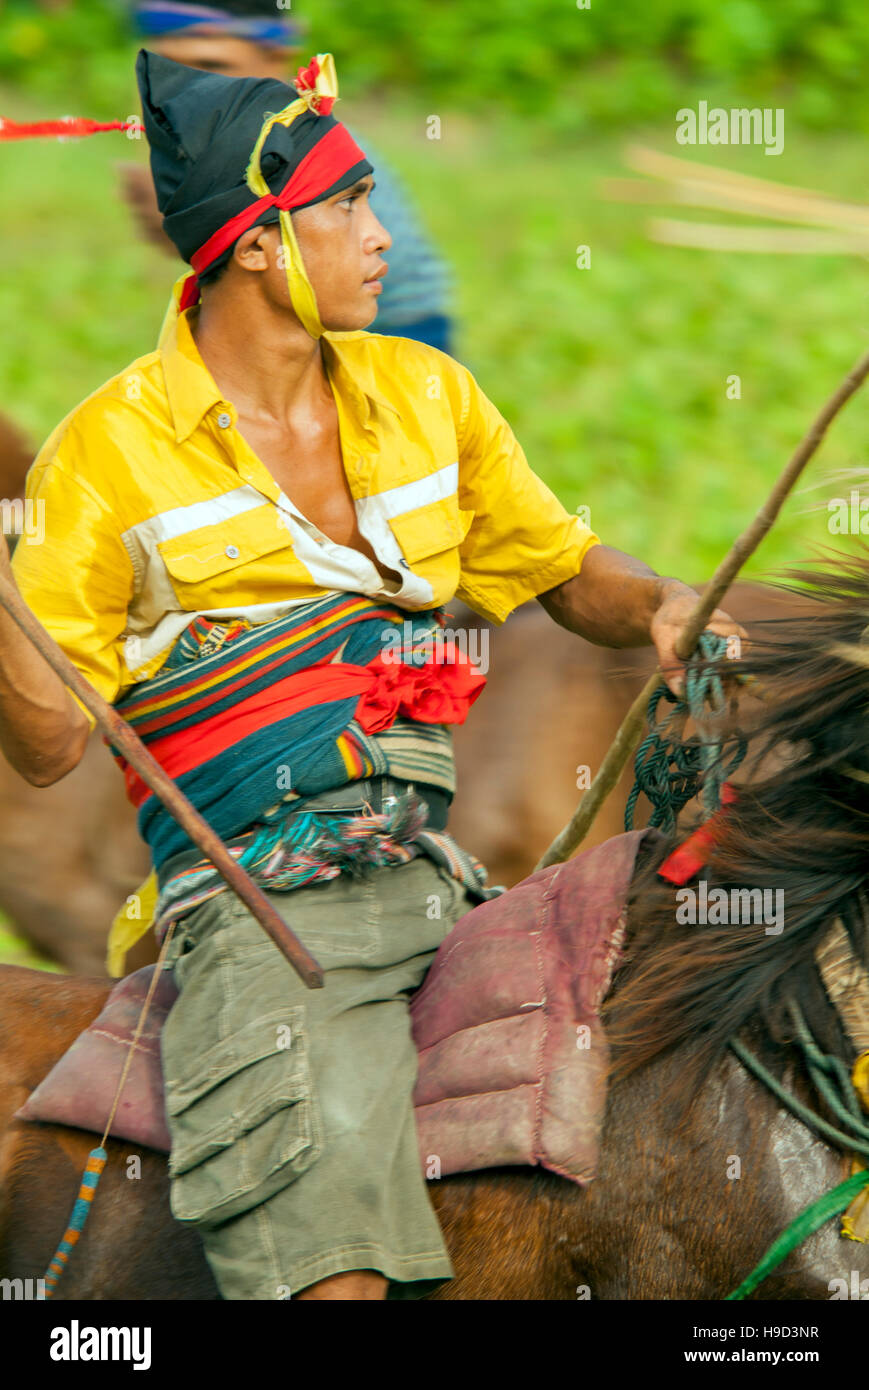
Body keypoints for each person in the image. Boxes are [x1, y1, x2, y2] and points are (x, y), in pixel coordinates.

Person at [2, 51, 744, 1300]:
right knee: (332, 1273)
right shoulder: (108, 455)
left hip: (437, 877)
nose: (379, 233)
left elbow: (562, 567)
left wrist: (660, 601)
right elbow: (45, 746)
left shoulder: (425, 394)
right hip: (262, 915)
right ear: (252, 242)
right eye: (345, 206)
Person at [121, 0, 454, 352]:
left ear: (276, 59)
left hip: (392, 334)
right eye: (172, 70)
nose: (189, 90)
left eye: (211, 65)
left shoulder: (302, 150)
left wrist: (181, 226)